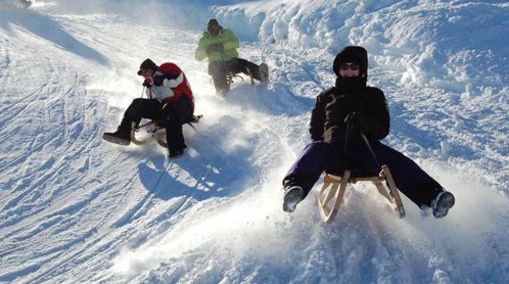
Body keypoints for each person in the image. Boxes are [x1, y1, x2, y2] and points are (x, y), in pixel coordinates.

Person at [282, 46, 455, 218]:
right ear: (338, 70)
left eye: (354, 67)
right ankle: (294, 189)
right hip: (334, 152)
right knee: (315, 148)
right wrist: (329, 139)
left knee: (392, 159)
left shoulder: (374, 95)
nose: (349, 72)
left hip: (364, 150)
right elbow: (316, 129)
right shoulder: (326, 96)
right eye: (344, 68)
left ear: (361, 70)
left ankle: (433, 197)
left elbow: (383, 129)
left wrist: (364, 122)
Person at [103, 59, 195, 158]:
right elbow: (154, 99)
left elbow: (178, 80)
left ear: (151, 68)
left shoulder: (166, 67)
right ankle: (124, 133)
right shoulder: (152, 82)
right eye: (142, 73)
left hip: (183, 105)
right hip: (165, 108)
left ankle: (177, 148)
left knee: (170, 109)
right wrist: (149, 88)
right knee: (138, 103)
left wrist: (163, 81)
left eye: (145, 71)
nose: (144, 75)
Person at [195, 18, 269, 96]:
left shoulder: (227, 33)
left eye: (214, 28)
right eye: (210, 29)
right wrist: (206, 50)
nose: (213, 31)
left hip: (230, 60)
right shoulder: (205, 40)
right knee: (215, 69)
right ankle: (221, 90)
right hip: (215, 63)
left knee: (242, 64)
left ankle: (260, 73)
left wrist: (223, 46)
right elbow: (198, 56)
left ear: (218, 26)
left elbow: (236, 42)